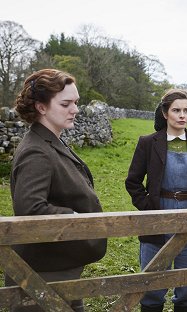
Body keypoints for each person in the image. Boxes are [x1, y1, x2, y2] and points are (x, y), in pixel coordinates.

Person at [7, 69, 107, 311]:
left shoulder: (51, 140)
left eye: (76, 102)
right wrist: (77, 220)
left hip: (61, 266)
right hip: (43, 273)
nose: (75, 109)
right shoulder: (36, 151)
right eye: (66, 103)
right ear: (41, 107)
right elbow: (30, 209)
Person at [125, 89, 187, 312]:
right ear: (165, 113)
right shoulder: (148, 143)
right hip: (157, 216)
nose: (182, 115)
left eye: (186, 110)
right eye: (176, 110)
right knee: (152, 286)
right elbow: (133, 182)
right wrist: (149, 207)